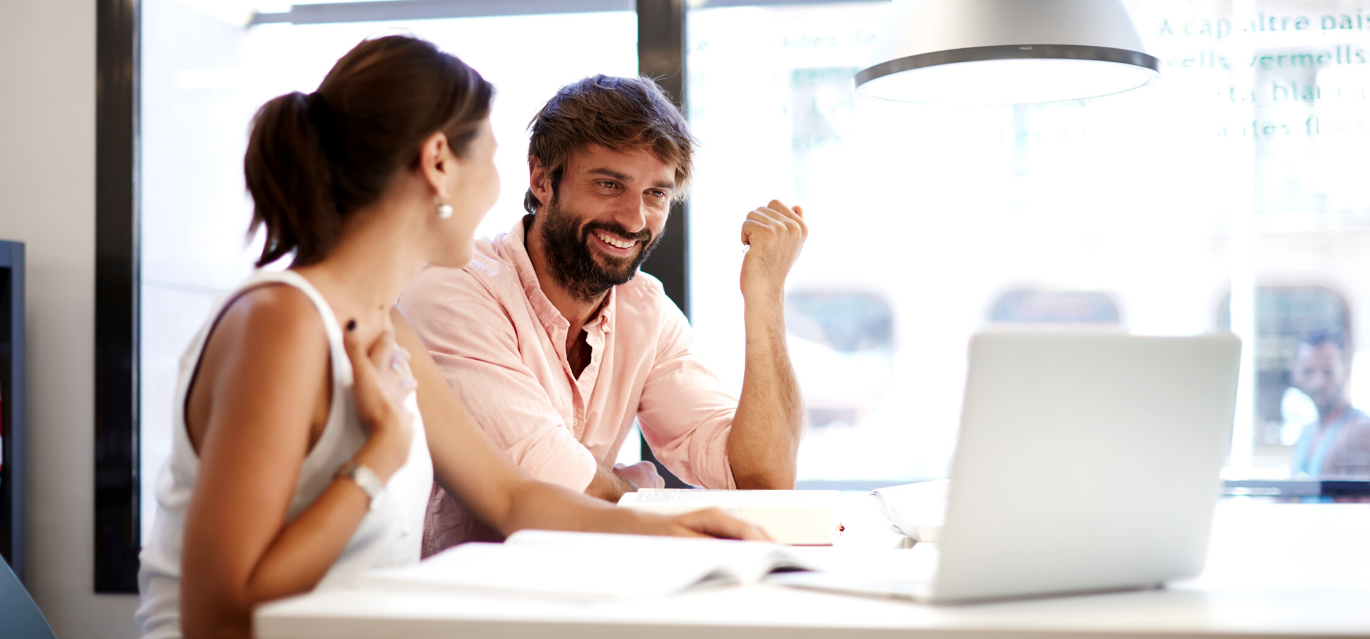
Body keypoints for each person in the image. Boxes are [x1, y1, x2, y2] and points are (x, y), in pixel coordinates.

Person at [135, 37, 765, 639]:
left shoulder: (386, 325)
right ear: (438, 164)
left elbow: (515, 499)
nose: (500, 190)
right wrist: (375, 461)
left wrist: (679, 533)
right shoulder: (283, 323)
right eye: (489, 158)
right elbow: (218, 619)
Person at [398, 75, 808, 554]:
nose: (634, 220)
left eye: (656, 194)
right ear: (541, 179)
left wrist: (766, 298)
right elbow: (549, 481)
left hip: (578, 595)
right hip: (453, 607)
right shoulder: (454, 287)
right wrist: (644, 499)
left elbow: (762, 479)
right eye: (610, 184)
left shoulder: (645, 310)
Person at [1288, 330, 1370, 477]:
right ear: (1295, 373)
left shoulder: (1361, 431)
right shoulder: (1306, 433)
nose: (1318, 383)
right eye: (1308, 371)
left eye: (1328, 371)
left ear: (1346, 372)